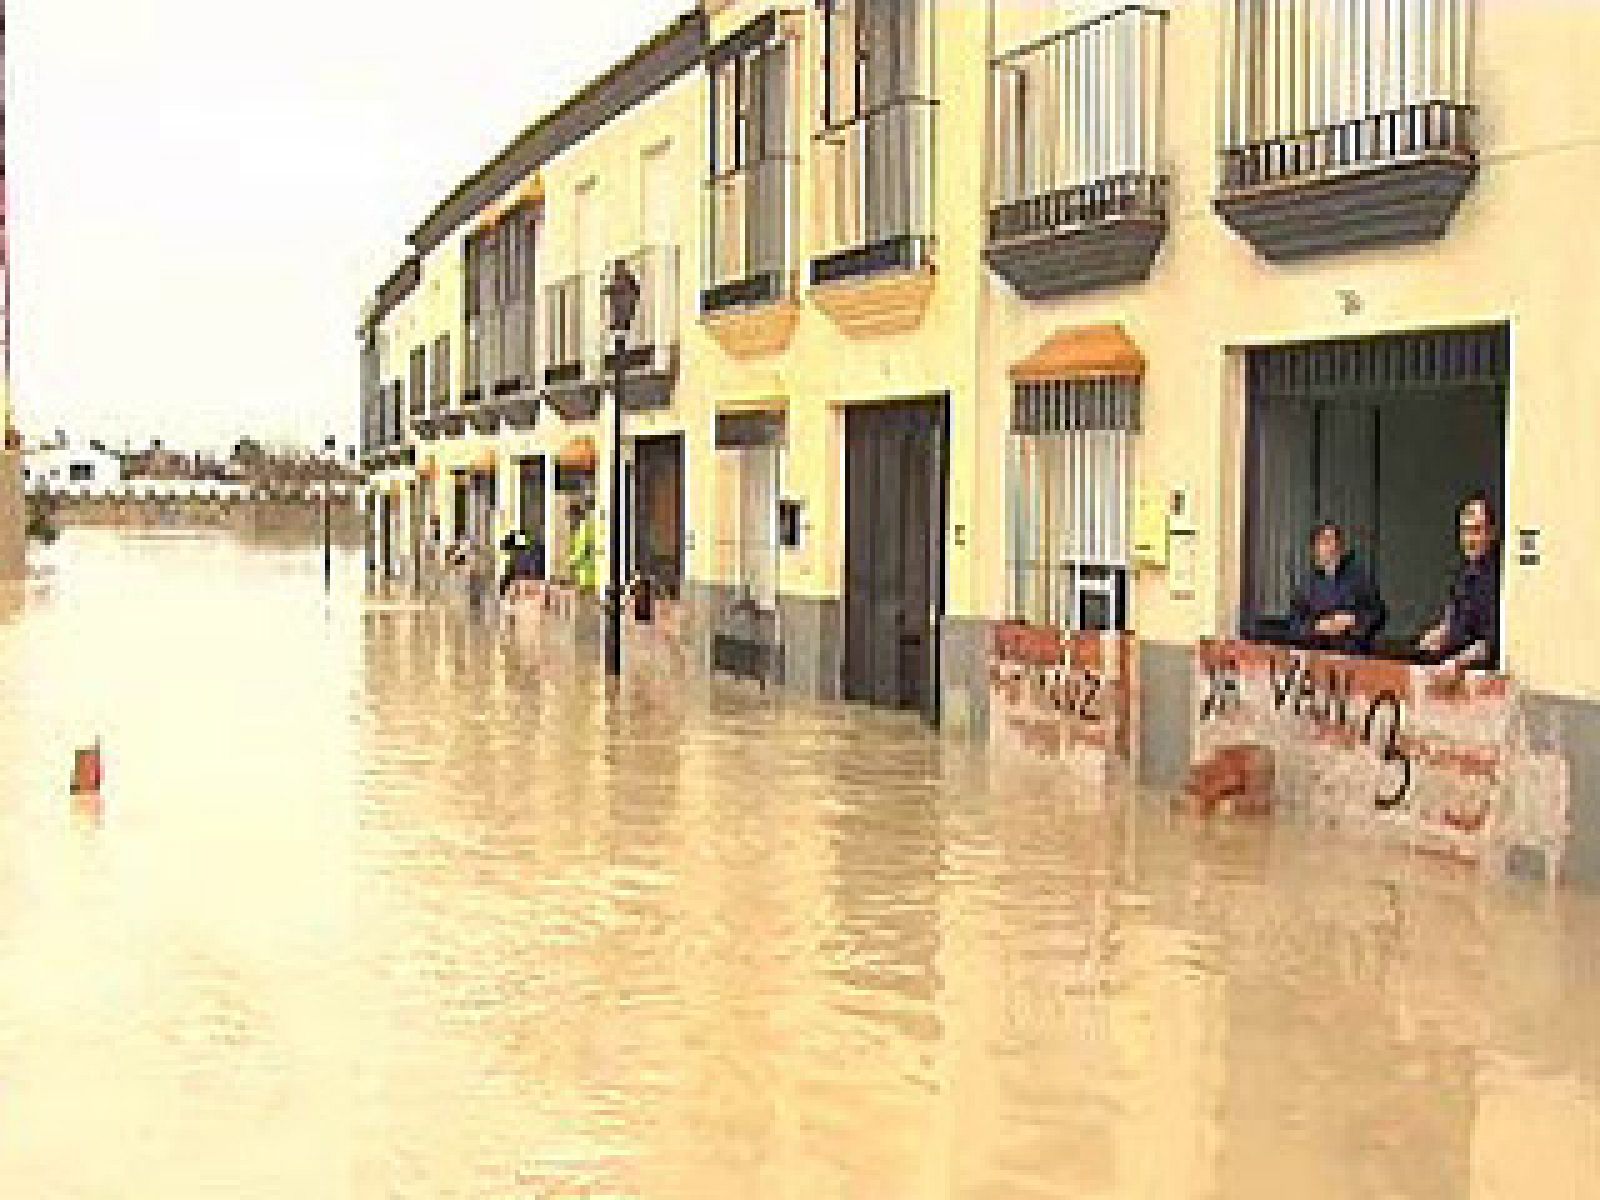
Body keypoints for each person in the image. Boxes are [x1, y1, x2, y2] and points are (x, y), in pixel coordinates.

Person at [1419, 492, 1502, 678]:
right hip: (1454, 672)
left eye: (1476, 530)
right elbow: (1454, 619)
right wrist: (1439, 634)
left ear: (1492, 533)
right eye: (1464, 531)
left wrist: (1458, 662)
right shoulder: (1463, 573)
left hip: (1486, 681)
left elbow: (1492, 642)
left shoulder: (1501, 577)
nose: (1469, 540)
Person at [1288, 520, 1387, 655]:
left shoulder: (1359, 579)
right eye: (1324, 542)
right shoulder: (1306, 586)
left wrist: (1353, 620)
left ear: (1340, 547)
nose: (1330, 547)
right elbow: (1295, 625)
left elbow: (1378, 614)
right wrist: (1318, 626)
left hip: (1353, 656)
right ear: (1315, 549)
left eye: (1333, 540)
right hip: (1318, 657)